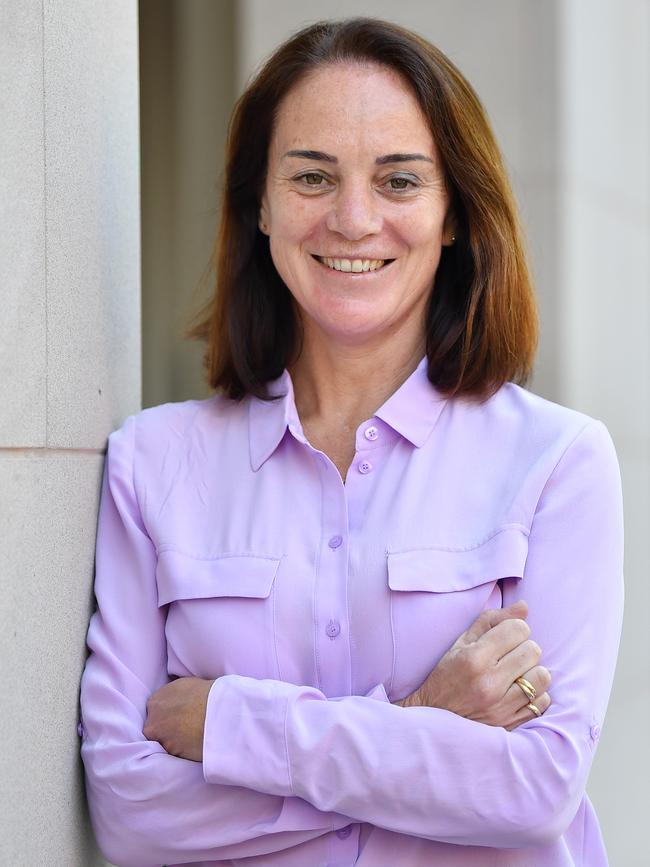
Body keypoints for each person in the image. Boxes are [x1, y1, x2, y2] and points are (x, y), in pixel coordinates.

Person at [79, 16, 624, 867]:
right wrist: (416, 728)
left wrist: (232, 724)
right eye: (312, 176)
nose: (355, 218)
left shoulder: (556, 462)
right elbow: (127, 808)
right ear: (260, 203)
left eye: (399, 180)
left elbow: (535, 790)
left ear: (453, 215)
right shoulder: (151, 465)